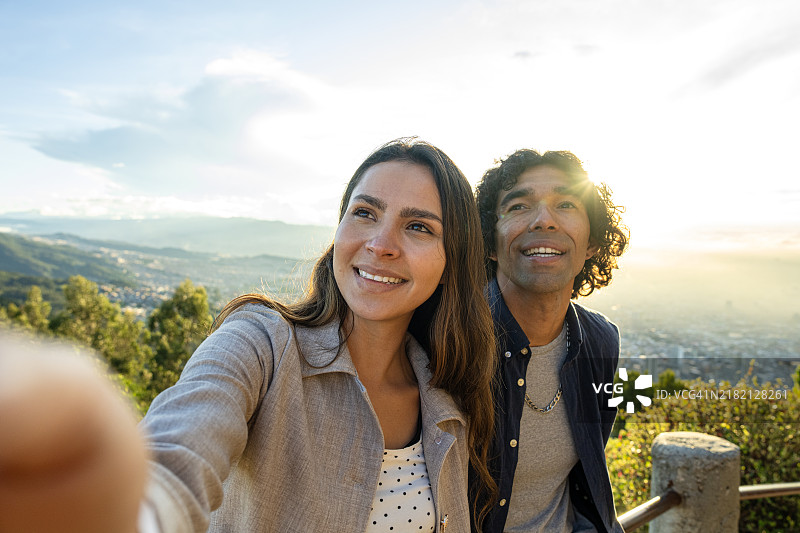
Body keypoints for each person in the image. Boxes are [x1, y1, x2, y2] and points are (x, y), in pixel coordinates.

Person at [0, 138, 498, 533]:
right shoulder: (261, 346)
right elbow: (179, 455)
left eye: (418, 228)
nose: (380, 244)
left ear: (450, 258)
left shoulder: (445, 392)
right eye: (365, 213)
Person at [472, 149, 628, 533]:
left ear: (591, 242)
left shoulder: (601, 344)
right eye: (520, 205)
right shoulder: (448, 340)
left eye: (566, 204)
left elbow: (585, 475)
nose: (544, 220)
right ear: (489, 243)